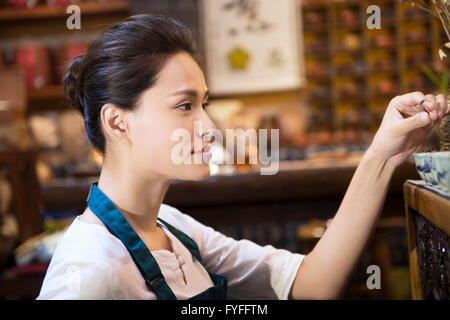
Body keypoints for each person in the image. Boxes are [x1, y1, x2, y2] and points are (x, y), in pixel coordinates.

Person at [37, 14, 449, 300]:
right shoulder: (89, 269)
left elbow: (310, 283)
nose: (210, 128)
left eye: (204, 104)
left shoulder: (176, 230)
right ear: (118, 122)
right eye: (184, 106)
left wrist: (382, 153)